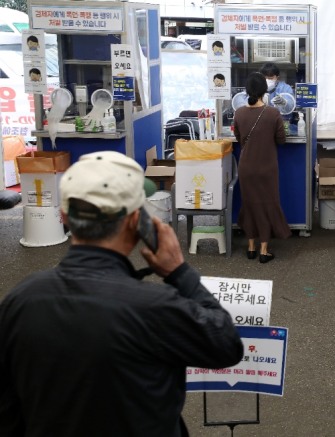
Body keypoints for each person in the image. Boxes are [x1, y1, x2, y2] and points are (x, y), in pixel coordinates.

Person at [0, 151, 244, 436]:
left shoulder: (20, 300)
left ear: (64, 215)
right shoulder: (155, 308)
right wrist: (179, 272)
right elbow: (226, 344)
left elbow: (7, 410)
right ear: (135, 221)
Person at [233, 72, 291, 264]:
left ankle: (250, 247)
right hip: (267, 167)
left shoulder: (239, 113)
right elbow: (281, 140)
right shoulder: (273, 113)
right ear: (264, 91)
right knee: (267, 204)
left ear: (247, 91)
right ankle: (264, 250)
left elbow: (239, 138)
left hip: (246, 167)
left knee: (249, 204)